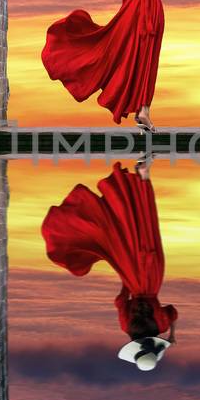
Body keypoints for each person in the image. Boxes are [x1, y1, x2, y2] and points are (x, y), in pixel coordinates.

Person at [41, 0, 178, 131]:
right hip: (153, 10)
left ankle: (140, 110)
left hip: (132, 9)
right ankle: (144, 110)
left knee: (126, 57)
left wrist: (127, 7)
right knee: (147, 61)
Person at [40, 159, 178, 373]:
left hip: (153, 277)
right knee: (126, 233)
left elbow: (172, 311)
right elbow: (120, 300)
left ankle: (143, 176)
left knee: (146, 225)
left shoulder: (161, 325)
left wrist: (172, 335)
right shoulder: (127, 325)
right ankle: (135, 180)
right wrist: (124, 276)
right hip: (131, 275)